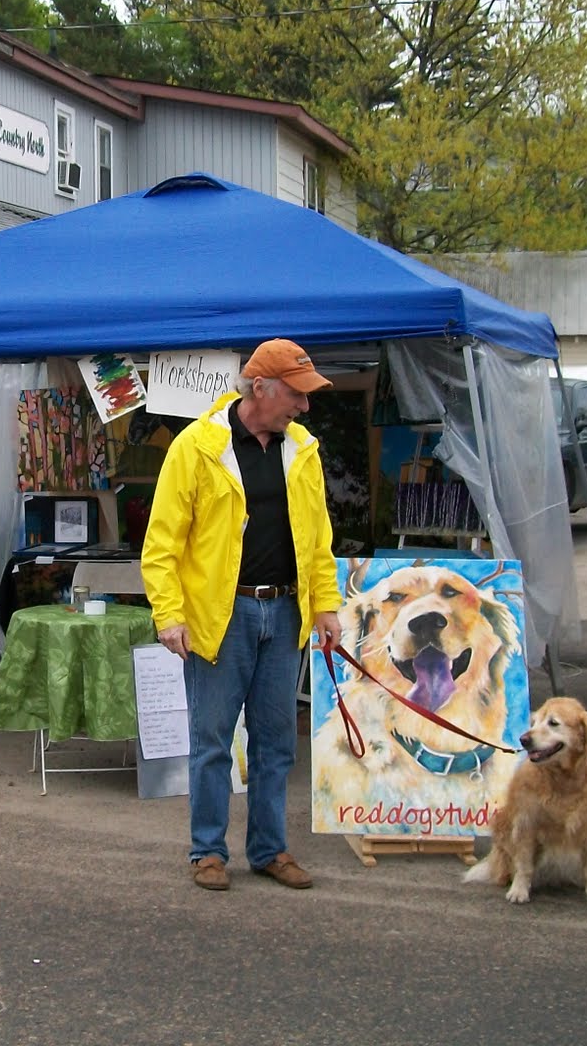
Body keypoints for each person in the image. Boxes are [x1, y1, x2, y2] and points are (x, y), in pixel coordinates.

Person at [140, 339, 342, 892]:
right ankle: (207, 851)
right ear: (261, 388)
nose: (304, 407)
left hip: (284, 613)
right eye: (297, 396)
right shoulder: (197, 447)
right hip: (220, 619)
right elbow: (161, 544)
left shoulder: (302, 450)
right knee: (212, 741)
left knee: (277, 742)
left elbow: (317, 539)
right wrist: (169, 614)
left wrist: (325, 604)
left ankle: (269, 850)